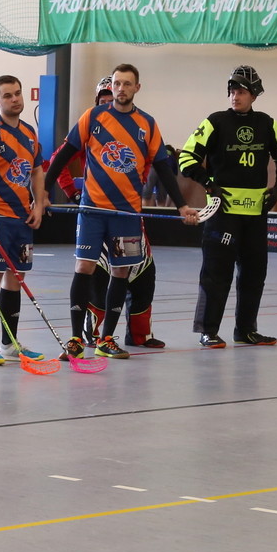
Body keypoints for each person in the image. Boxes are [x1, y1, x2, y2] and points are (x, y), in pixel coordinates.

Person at [46, 63, 191, 358]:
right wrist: (41, 193)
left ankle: (107, 340)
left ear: (137, 87)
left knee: (120, 271)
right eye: (116, 83)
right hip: (92, 210)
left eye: (126, 84)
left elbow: (163, 168)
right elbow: (62, 157)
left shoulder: (148, 124)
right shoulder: (93, 117)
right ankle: (75, 340)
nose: (121, 89)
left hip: (127, 214)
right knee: (84, 268)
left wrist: (182, 205)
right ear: (111, 87)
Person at [177, 65, 277, 349]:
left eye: (241, 91)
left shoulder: (267, 123)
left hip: (255, 215)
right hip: (223, 213)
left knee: (255, 274)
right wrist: (208, 184)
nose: (235, 96)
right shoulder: (215, 121)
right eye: (232, 91)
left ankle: (246, 330)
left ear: (254, 95)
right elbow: (186, 158)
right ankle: (208, 331)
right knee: (216, 273)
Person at [0, 75, 49, 365]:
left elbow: (37, 171)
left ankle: (10, 344)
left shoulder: (29, 133)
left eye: (17, 93)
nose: (15, 99)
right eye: (7, 95)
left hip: (21, 218)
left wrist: (38, 205)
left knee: (16, 278)